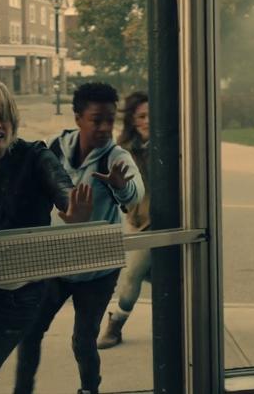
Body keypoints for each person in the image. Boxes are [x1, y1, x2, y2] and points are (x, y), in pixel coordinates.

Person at [0, 80, 94, 394]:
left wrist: (73, 213)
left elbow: (65, 192)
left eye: (3, 117)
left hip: (18, 296)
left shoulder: (35, 155)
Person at [14, 83, 144, 394]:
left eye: (110, 120)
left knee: (83, 339)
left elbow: (135, 194)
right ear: (77, 118)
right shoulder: (55, 146)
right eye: (96, 119)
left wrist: (120, 187)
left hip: (98, 267)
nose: (104, 128)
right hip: (56, 262)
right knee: (30, 332)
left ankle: (89, 389)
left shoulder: (116, 157)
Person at [97, 91, 151, 349]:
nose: (148, 121)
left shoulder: (172, 144)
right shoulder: (125, 150)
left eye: (152, 115)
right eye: (142, 116)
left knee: (148, 274)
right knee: (132, 275)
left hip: (171, 221)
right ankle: (115, 324)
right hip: (141, 223)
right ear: (133, 120)